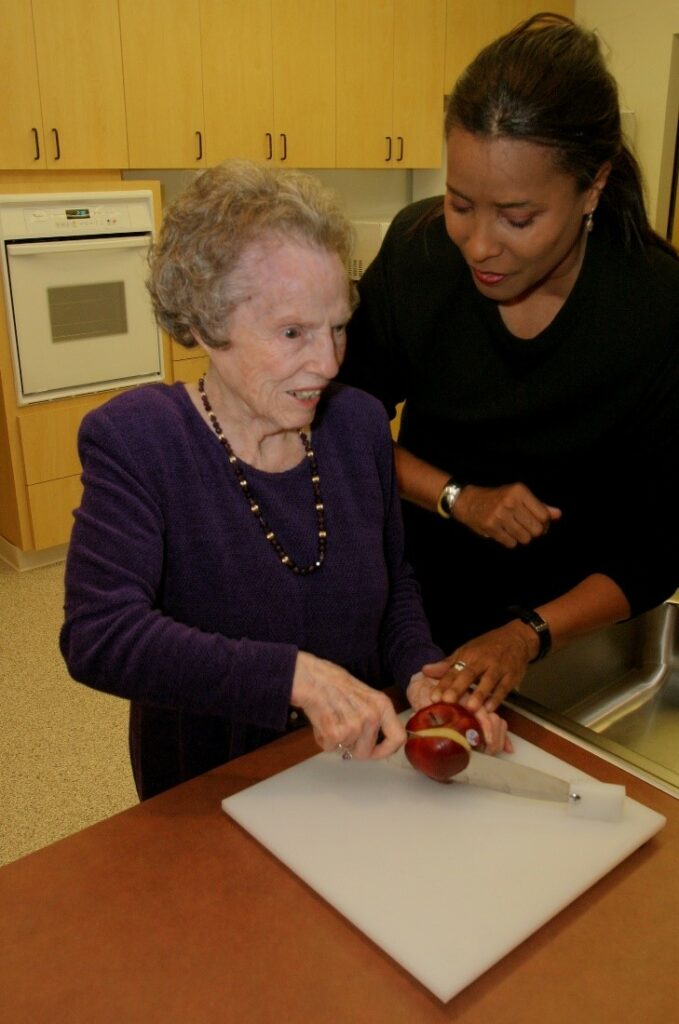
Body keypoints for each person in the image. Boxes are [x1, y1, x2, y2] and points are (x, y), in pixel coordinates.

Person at [59, 161, 508, 799]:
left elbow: (393, 581)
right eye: (293, 332)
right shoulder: (139, 441)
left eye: (338, 328)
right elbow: (99, 635)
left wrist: (419, 674)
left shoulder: (356, 424)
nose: (325, 364)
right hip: (214, 784)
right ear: (205, 324)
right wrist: (294, 678)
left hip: (356, 766)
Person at [341, 13, 679, 716]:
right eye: (461, 203)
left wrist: (527, 634)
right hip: (409, 612)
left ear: (592, 187)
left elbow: (657, 546)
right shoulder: (420, 253)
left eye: (517, 218)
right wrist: (457, 497)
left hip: (565, 638)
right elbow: (343, 421)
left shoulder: (653, 307)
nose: (478, 245)